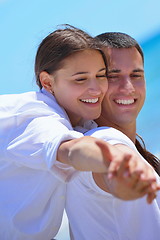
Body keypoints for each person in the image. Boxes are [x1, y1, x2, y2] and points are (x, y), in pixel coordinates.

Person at [0, 25, 155, 240]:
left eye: (101, 76)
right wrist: (115, 163)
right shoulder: (35, 117)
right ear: (47, 82)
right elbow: (72, 149)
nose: (96, 89)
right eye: (81, 79)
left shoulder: (81, 122)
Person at [66, 32, 160, 240]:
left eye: (136, 75)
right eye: (112, 76)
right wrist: (125, 170)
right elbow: (111, 156)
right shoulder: (102, 141)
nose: (128, 87)